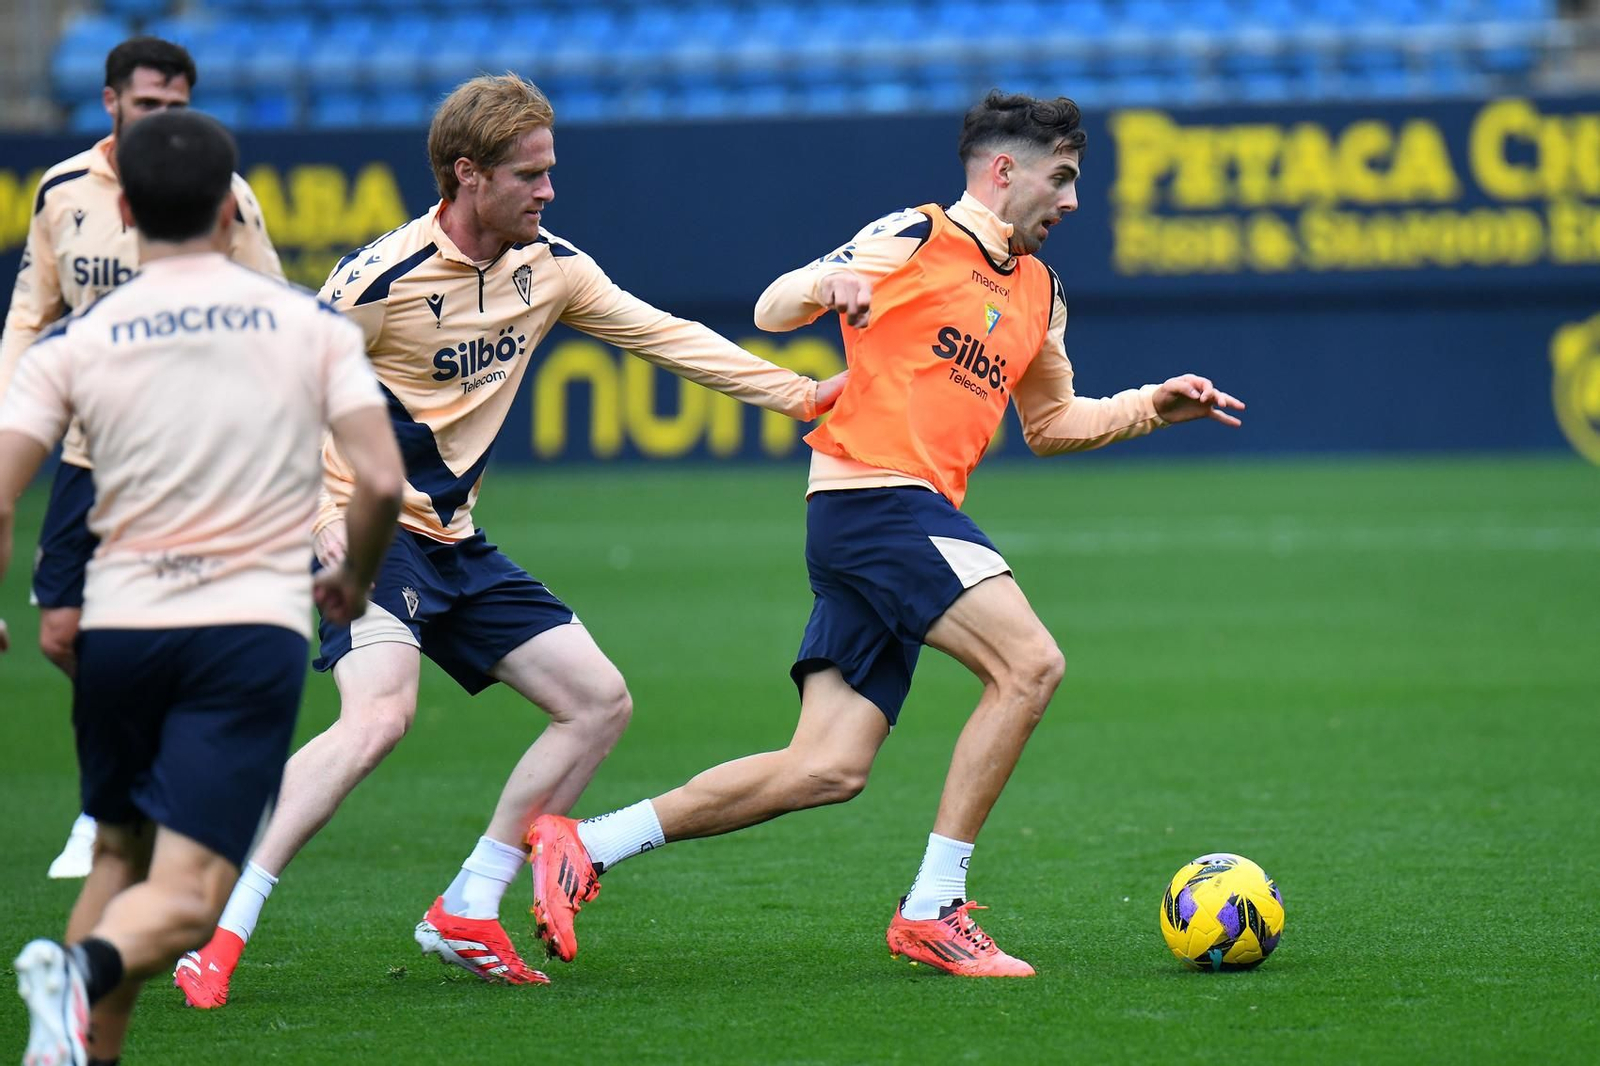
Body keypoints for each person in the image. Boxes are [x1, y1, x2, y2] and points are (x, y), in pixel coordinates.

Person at [526, 90, 1246, 978]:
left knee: (826, 766)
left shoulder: (1041, 292)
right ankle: (934, 906)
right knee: (1031, 666)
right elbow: (771, 307)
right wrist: (828, 284)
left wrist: (1152, 407)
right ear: (1004, 170)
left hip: (886, 521)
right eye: (1061, 179)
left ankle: (585, 844)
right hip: (875, 502)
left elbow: (1052, 423)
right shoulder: (915, 234)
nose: (1071, 202)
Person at [174, 72, 848, 1006]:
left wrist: (801, 393)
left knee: (598, 703)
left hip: (453, 539)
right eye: (531, 174)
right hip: (362, 530)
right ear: (468, 176)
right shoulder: (378, 282)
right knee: (377, 718)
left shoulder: (553, 268)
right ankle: (220, 922)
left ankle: (469, 903)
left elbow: (666, 335)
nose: (549, 190)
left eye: (549, 171)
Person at [2, 110, 402, 1066]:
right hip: (241, 631)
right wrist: (353, 572)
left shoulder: (79, 340)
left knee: (117, 856)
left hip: (119, 630)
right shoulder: (308, 326)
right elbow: (381, 482)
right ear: (233, 209)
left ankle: (72, 1047)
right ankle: (78, 974)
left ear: (128, 211)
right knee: (185, 901)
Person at [0, 35, 284, 881]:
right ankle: (143, 775)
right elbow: (31, 310)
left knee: (152, 630)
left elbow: (269, 299)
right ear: (111, 103)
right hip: (92, 451)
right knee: (62, 634)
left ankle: (109, 807)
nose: (163, 118)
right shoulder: (61, 193)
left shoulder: (223, 194)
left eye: (177, 105)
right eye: (149, 104)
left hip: (190, 452)